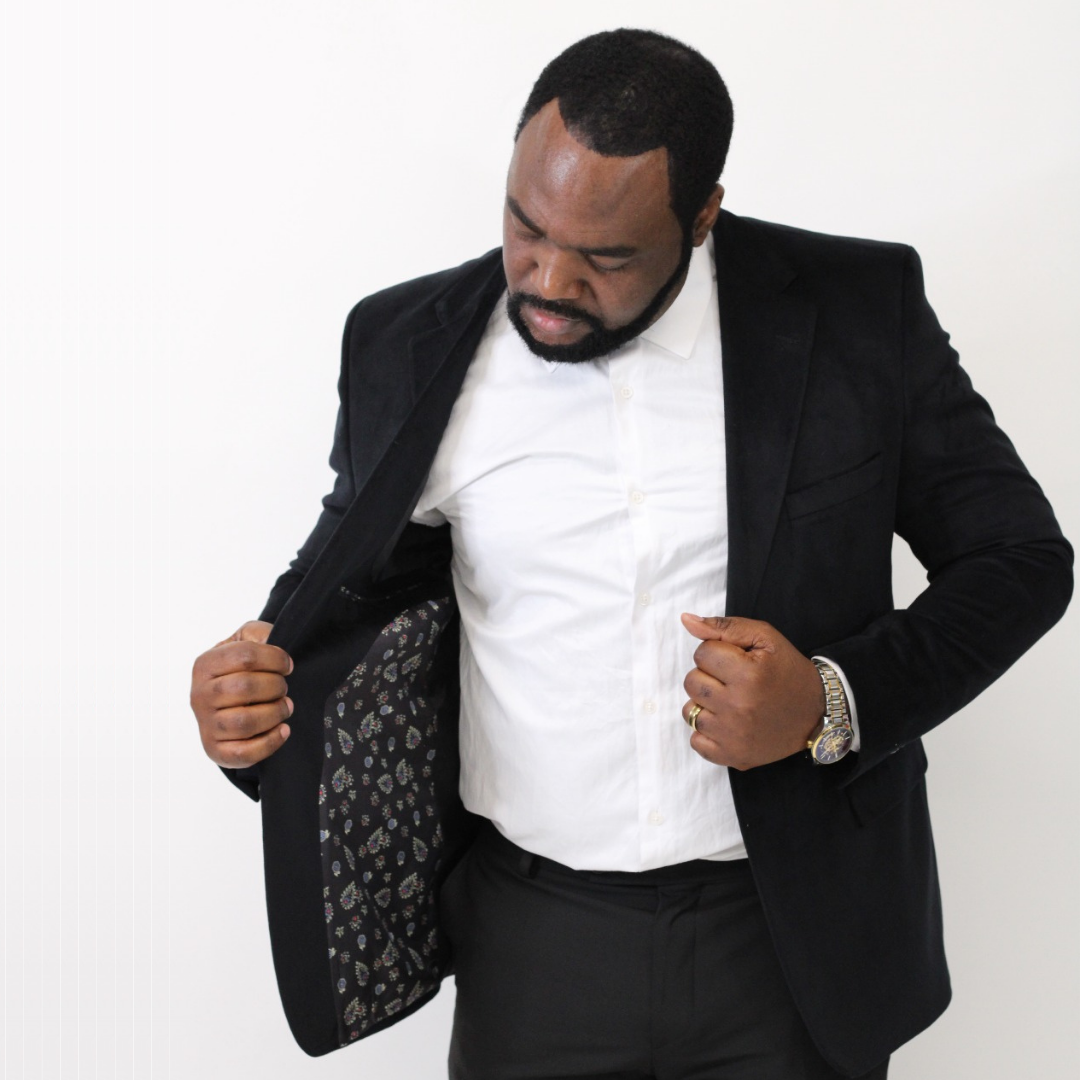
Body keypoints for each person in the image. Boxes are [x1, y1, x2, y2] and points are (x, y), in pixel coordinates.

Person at [189, 28, 1072, 1080]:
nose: (548, 280)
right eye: (524, 226)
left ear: (702, 217)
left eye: (605, 258)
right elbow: (340, 588)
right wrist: (250, 701)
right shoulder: (404, 342)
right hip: (531, 939)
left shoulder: (855, 310)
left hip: (789, 935)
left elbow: (1020, 558)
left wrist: (829, 702)